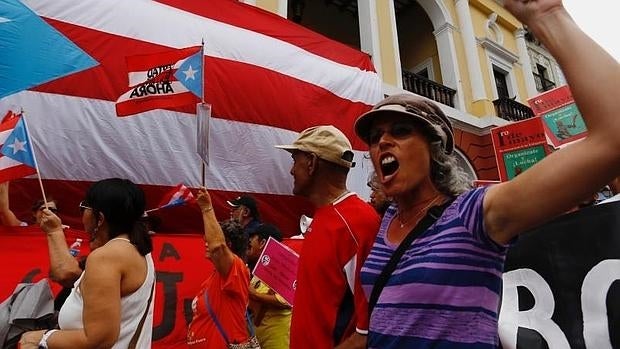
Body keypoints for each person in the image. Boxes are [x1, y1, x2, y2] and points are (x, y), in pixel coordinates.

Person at [353, 0, 620, 347]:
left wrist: (548, 15)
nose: (383, 142)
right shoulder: (387, 218)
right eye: (375, 138)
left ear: (434, 149)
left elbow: (613, 139)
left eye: (401, 131)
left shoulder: (473, 214)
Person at [275, 125, 381, 349]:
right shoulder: (324, 217)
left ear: (311, 163)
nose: (292, 170)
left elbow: (369, 330)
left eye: (295, 160)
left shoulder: (357, 222)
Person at [19, 178, 155, 349]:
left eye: (83, 208)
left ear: (100, 218)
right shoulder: (136, 249)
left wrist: (42, 338)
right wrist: (55, 233)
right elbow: (68, 275)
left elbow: (99, 339)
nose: (81, 214)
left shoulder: (107, 257)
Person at [187, 188, 255, 348]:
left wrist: (206, 208)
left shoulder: (236, 268)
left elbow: (217, 247)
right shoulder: (216, 276)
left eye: (209, 239)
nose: (206, 243)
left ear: (228, 245)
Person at [247, 224, 291, 349]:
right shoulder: (259, 270)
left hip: (277, 339)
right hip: (259, 338)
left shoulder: (284, 267)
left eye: (252, 238)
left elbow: (286, 301)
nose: (249, 241)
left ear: (262, 243)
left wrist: (255, 295)